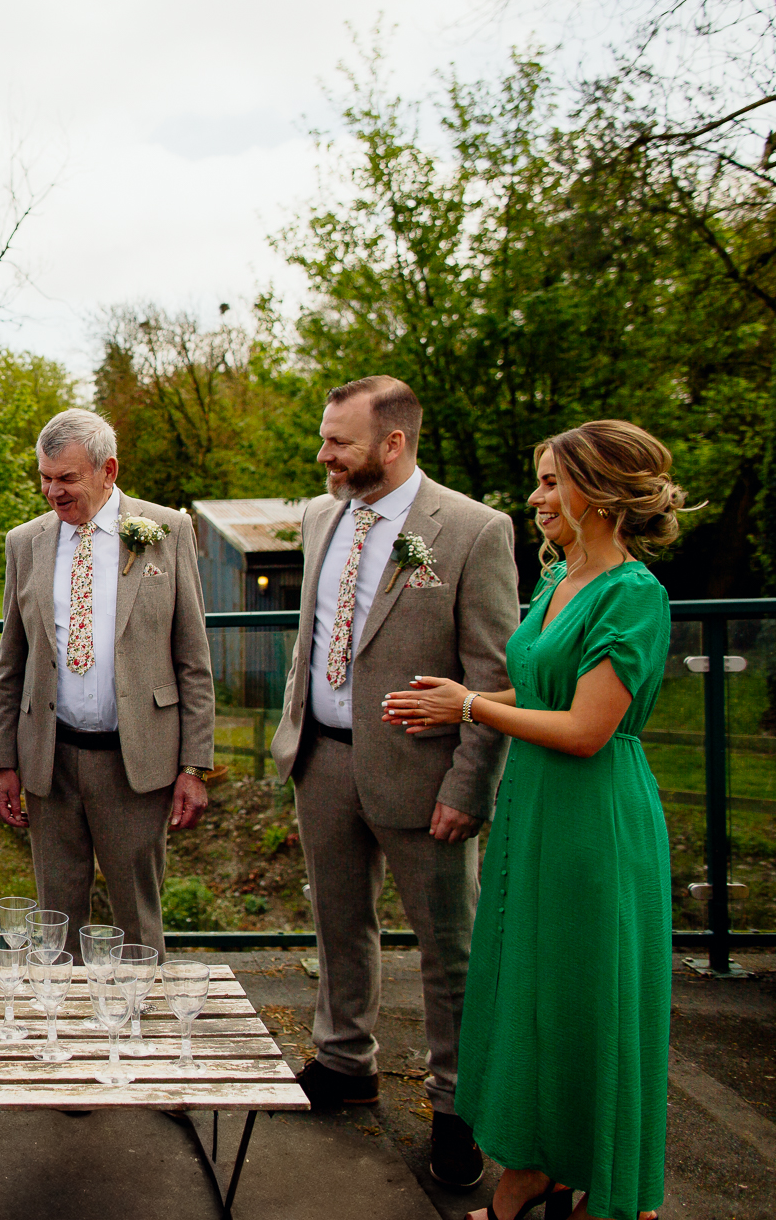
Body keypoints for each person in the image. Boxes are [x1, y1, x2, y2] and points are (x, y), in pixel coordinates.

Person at [385, 420, 683, 1220]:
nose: (538, 496)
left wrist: (472, 705)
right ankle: (536, 1167)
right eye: (540, 480)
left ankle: (581, 1176)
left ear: (603, 492)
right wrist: (452, 704)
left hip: (592, 823)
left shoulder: (633, 595)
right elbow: (546, 690)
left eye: (554, 482)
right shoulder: (559, 582)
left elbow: (588, 729)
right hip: (533, 809)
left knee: (582, 994)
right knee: (531, 992)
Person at [268, 375, 517, 1191]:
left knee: (452, 951)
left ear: (393, 443)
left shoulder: (475, 531)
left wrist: (469, 787)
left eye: (338, 441)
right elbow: (312, 633)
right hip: (323, 758)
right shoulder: (320, 515)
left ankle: (457, 1105)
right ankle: (345, 1059)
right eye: (325, 438)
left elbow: (494, 674)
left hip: (423, 773)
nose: (323, 454)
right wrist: (294, 738)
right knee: (339, 925)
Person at [0, 408, 215, 954]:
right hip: (51, 759)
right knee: (54, 924)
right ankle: (61, 1034)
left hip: (137, 762)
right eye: (45, 477)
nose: (52, 492)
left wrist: (193, 765)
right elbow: (12, 663)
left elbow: (193, 658)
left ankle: (138, 1033)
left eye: (67, 478)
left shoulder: (168, 531)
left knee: (138, 918)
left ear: (108, 470)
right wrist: (4, 763)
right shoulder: (26, 542)